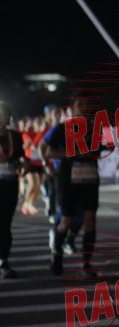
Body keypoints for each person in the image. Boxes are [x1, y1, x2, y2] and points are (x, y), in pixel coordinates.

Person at [42, 97, 107, 277]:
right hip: (68, 181)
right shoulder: (62, 128)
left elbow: (98, 151)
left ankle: (86, 264)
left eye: (87, 104)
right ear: (73, 108)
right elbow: (48, 151)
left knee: (90, 221)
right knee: (66, 221)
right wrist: (75, 154)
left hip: (90, 180)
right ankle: (57, 255)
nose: (84, 108)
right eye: (80, 105)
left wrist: (96, 152)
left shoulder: (95, 128)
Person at [0, 102, 25, 279]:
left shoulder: (15, 136)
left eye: (5, 114)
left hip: (10, 182)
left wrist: (24, 164)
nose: (2, 117)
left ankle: (4, 260)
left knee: (5, 223)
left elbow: (21, 156)